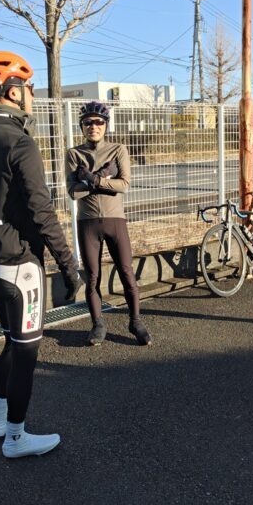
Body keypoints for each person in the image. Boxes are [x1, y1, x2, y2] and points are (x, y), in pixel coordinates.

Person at [0, 50, 82, 458]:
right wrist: (69, 266)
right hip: (20, 267)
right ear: (12, 92)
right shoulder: (20, 143)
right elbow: (41, 212)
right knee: (26, 350)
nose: (31, 94)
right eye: (29, 87)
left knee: (11, 343)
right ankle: (16, 437)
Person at [65, 101, 152, 347]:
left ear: (106, 125)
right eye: (88, 122)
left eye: (99, 122)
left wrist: (93, 179)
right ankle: (98, 324)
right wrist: (104, 177)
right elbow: (73, 192)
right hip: (87, 223)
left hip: (116, 221)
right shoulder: (74, 154)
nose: (93, 126)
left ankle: (135, 322)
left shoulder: (118, 150)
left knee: (126, 272)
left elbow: (124, 185)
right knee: (92, 277)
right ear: (82, 126)